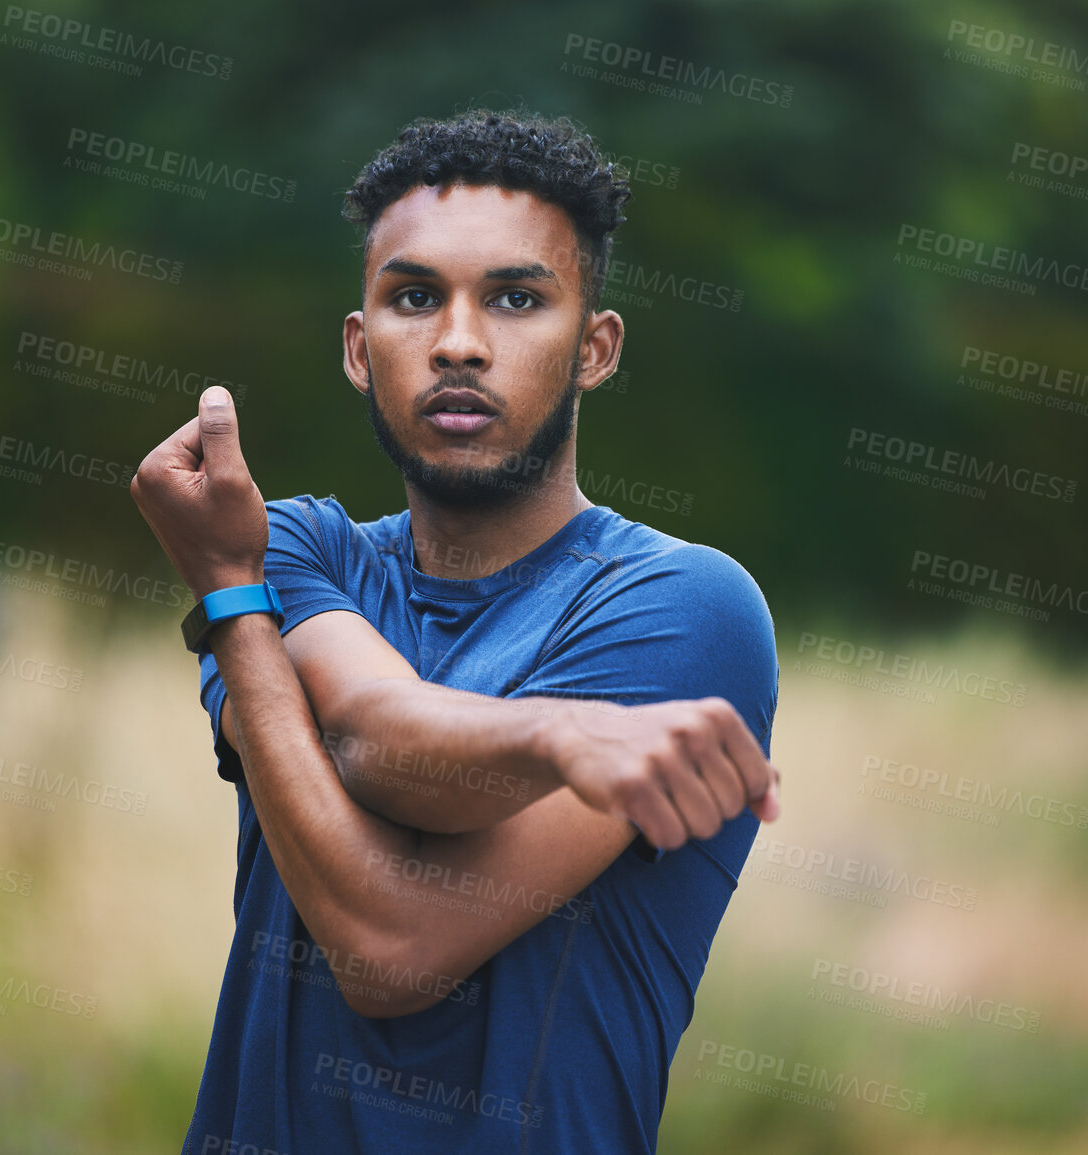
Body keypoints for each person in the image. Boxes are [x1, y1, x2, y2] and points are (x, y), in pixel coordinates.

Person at [132, 108, 781, 1155]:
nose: (459, 342)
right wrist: (557, 737)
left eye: (518, 298)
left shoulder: (685, 606)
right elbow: (377, 733)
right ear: (358, 347)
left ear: (595, 348)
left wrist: (228, 602)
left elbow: (390, 947)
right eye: (414, 297)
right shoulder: (289, 549)